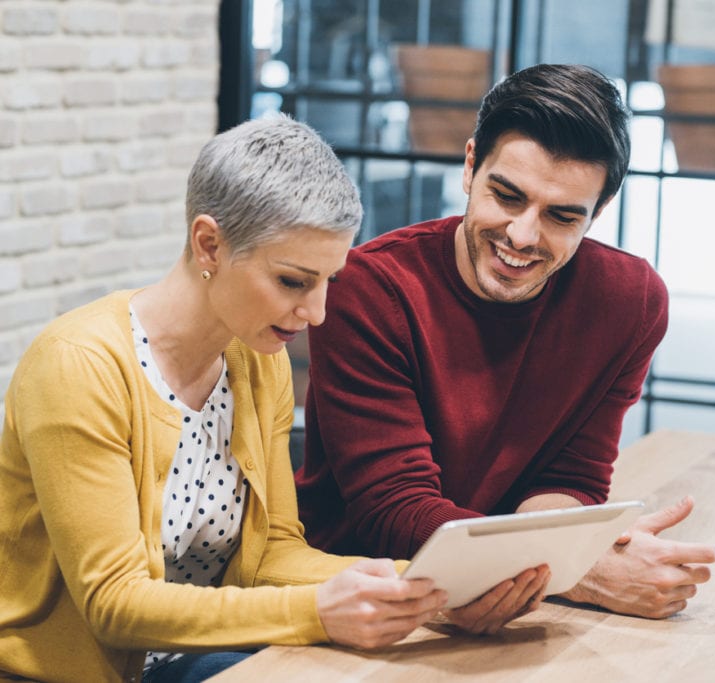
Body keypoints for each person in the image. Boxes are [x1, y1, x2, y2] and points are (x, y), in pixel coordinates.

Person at [0, 117, 539, 683]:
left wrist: (429, 585)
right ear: (209, 243)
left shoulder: (258, 360)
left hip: (200, 659)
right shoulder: (80, 366)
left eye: (328, 279)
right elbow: (114, 604)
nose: (318, 313)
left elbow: (271, 554)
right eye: (292, 282)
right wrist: (316, 612)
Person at [296, 64, 715, 622]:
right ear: (471, 165)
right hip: (370, 593)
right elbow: (395, 511)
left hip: (514, 602)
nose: (522, 236)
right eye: (507, 196)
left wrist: (549, 561)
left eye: (562, 216)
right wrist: (578, 569)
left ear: (600, 211)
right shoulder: (370, 290)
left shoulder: (630, 302)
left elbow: (569, 479)